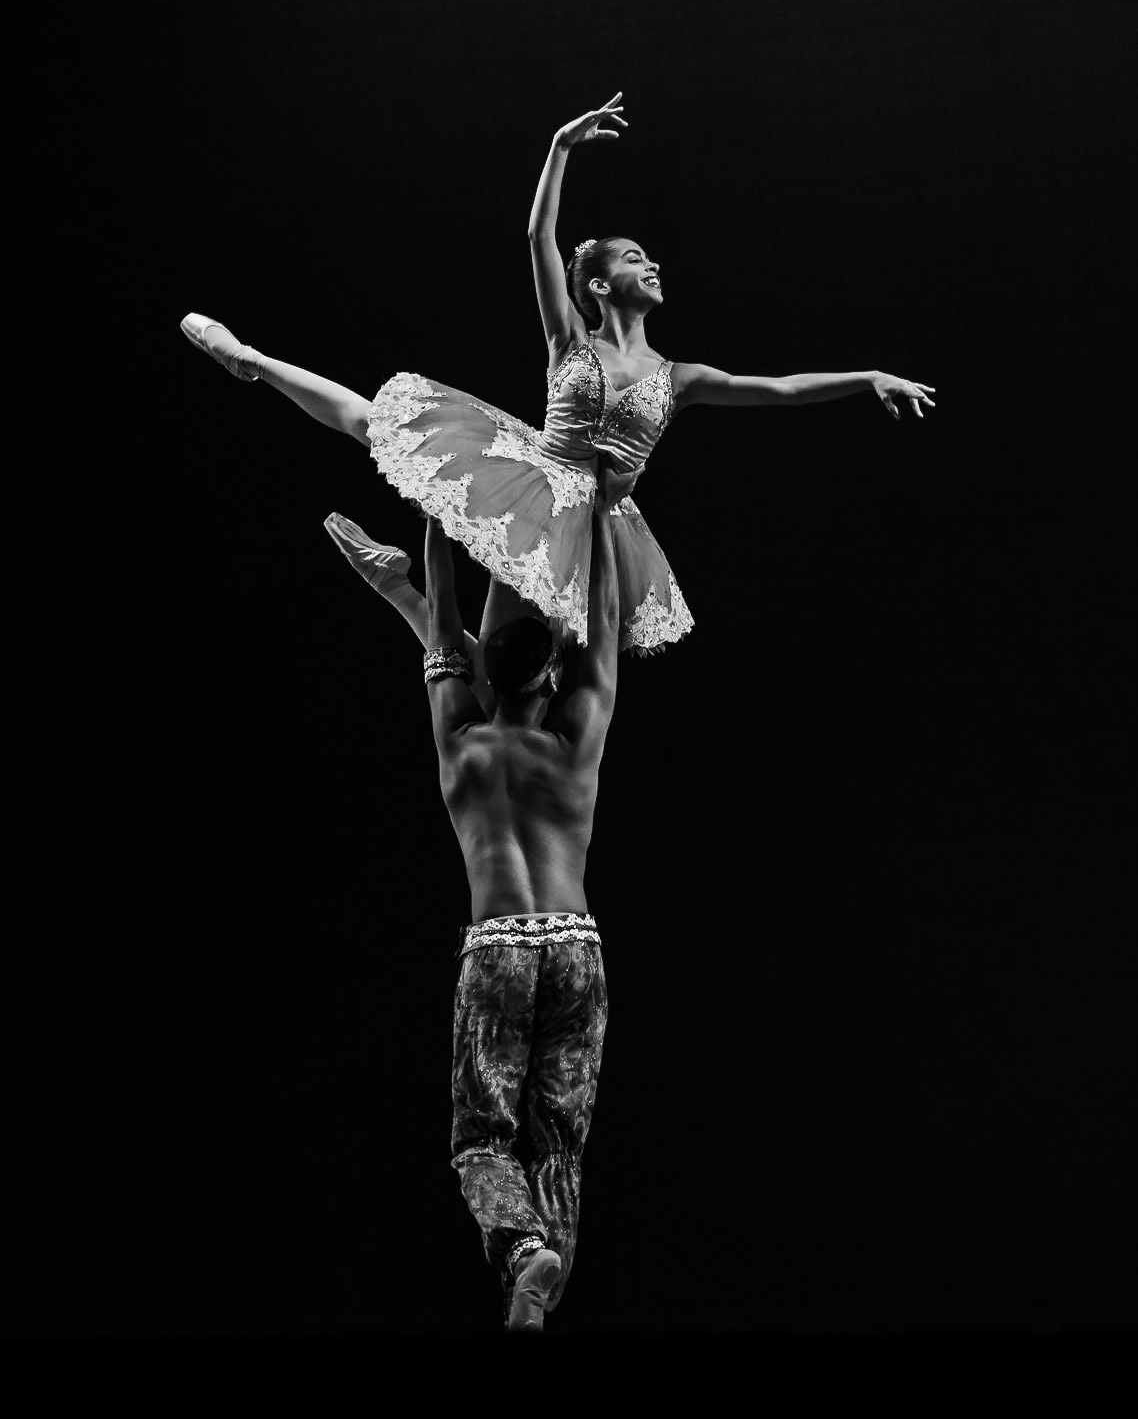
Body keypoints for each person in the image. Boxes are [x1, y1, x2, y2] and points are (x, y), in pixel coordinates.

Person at [181, 91, 934, 659]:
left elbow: (784, 387)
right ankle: (251, 361)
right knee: (373, 420)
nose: (654, 263)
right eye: (636, 258)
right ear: (600, 286)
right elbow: (539, 234)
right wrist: (559, 146)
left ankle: (401, 588)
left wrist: (867, 374)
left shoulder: (682, 375)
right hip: (534, 482)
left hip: (602, 529)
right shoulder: (568, 337)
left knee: (524, 679)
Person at [324, 464, 622, 1332]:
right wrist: (600, 520)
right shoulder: (578, 742)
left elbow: (444, 628)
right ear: (552, 675)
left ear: (484, 676)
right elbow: (600, 631)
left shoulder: (460, 737)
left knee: (481, 1143)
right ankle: (538, 1290)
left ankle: (525, 1257)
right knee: (558, 1143)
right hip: (577, 946)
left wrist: (436, 512)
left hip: (496, 950)